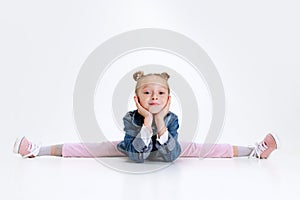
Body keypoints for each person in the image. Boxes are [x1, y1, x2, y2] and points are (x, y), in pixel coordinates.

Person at [13, 71, 279, 162]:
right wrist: (148, 123)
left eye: (160, 93)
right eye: (147, 93)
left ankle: (254, 151)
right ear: (138, 100)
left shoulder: (172, 118)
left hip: (167, 150)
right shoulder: (132, 118)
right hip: (134, 151)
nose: (154, 97)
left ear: (168, 99)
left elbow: (171, 156)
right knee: (93, 148)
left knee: (206, 149)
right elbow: (137, 156)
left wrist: (161, 121)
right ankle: (38, 149)